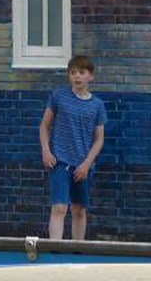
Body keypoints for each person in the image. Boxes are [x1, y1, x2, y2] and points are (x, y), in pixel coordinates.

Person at [39, 54, 107, 242]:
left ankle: (78, 249)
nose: (77, 76)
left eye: (81, 73)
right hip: (60, 160)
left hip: (83, 165)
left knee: (79, 209)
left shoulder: (97, 105)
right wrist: (46, 150)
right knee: (59, 207)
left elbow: (99, 139)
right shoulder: (59, 96)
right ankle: (55, 248)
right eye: (73, 73)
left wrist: (86, 164)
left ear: (90, 76)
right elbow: (44, 125)